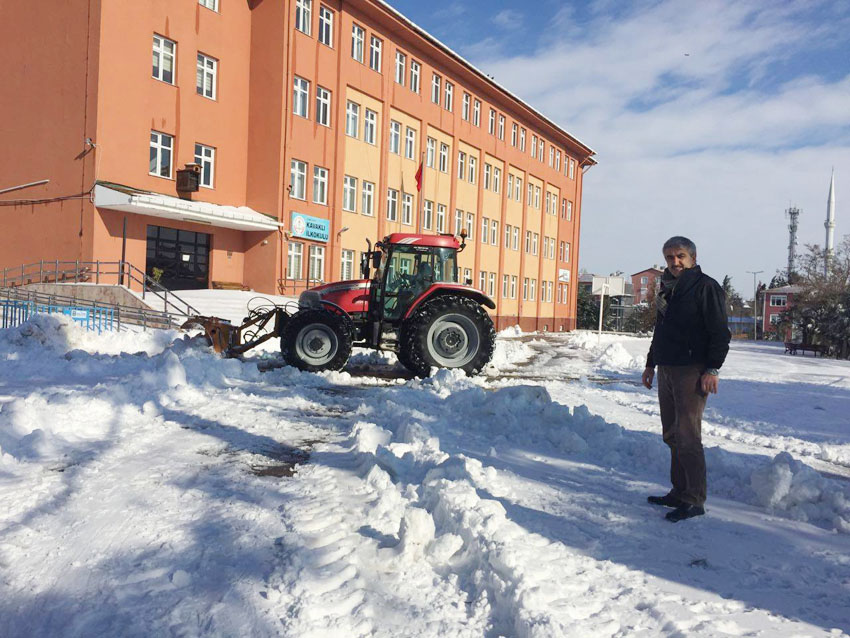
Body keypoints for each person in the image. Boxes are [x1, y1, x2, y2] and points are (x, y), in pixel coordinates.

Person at [641, 236, 731, 522]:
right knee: (671, 434)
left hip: (692, 369)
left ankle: (694, 499)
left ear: (692, 257)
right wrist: (650, 364)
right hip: (667, 366)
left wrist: (712, 368)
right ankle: (679, 492)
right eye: (670, 257)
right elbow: (660, 330)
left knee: (688, 436)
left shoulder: (705, 287)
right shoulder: (666, 289)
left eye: (680, 256)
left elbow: (719, 332)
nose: (675, 262)